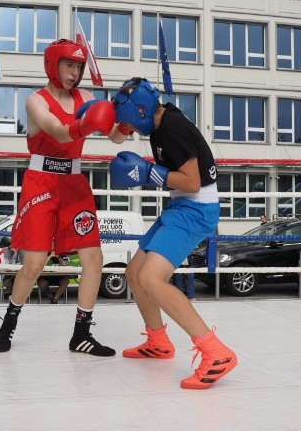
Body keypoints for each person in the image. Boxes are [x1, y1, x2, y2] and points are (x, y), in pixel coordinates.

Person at [0, 39, 126, 356]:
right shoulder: (35, 102)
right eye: (69, 65)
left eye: (79, 66)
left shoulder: (88, 97)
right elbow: (57, 130)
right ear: (53, 65)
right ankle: (8, 323)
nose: (75, 72)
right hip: (41, 181)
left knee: (94, 258)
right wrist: (87, 122)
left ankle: (81, 334)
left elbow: (117, 136)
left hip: (74, 183)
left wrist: (131, 116)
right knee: (35, 262)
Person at [109, 77, 237, 390]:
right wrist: (109, 118)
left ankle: (216, 352)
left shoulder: (172, 128)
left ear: (140, 110)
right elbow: (116, 138)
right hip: (181, 208)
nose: (134, 131)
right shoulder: (159, 119)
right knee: (135, 272)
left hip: (195, 209)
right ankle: (158, 341)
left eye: (132, 123)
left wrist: (149, 173)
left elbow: (192, 182)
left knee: (152, 279)